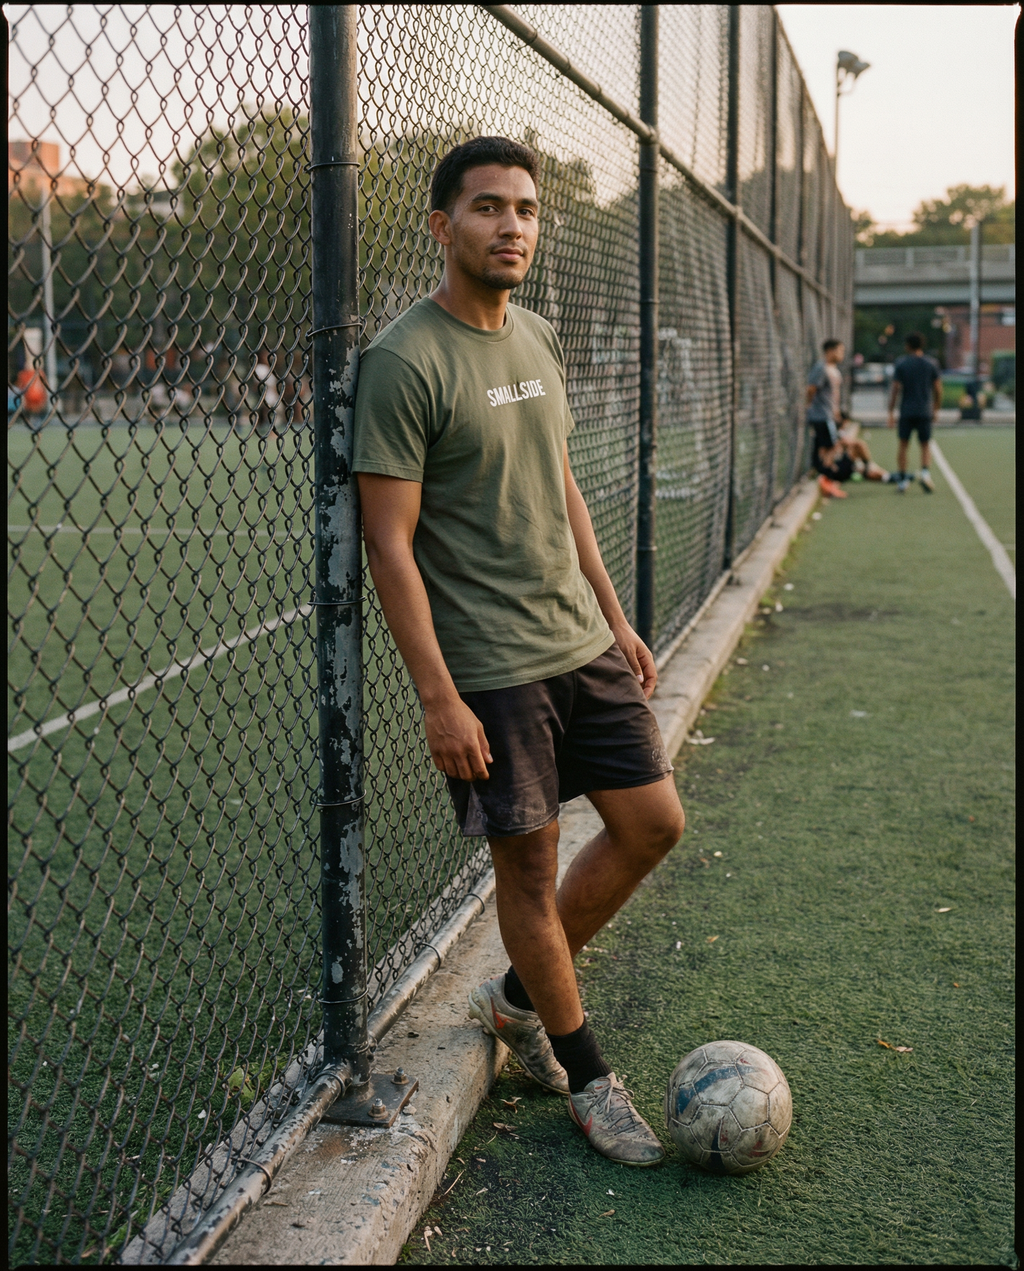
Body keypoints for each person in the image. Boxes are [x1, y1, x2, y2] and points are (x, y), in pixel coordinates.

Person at [353, 136, 685, 1167]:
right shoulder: (403, 361)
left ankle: (509, 996)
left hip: (580, 640)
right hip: (492, 669)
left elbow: (563, 486)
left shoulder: (535, 335)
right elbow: (389, 543)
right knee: (529, 868)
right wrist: (438, 697)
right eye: (488, 207)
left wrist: (616, 613)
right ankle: (586, 1073)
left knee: (652, 824)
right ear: (441, 224)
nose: (512, 227)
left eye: (526, 209)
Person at [888, 333, 942, 492]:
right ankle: (925, 473)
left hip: (906, 410)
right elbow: (938, 389)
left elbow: (895, 389)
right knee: (925, 444)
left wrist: (891, 412)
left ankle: (903, 479)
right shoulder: (931, 363)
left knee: (903, 444)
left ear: (907, 345)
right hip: (924, 410)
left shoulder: (902, 364)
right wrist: (936, 408)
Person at [806, 338, 851, 498]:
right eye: (839, 350)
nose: (842, 354)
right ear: (830, 350)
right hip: (821, 415)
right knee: (832, 446)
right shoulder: (821, 368)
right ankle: (825, 481)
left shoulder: (834, 370)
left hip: (829, 415)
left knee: (826, 448)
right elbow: (811, 388)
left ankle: (825, 480)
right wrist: (808, 406)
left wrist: (837, 413)